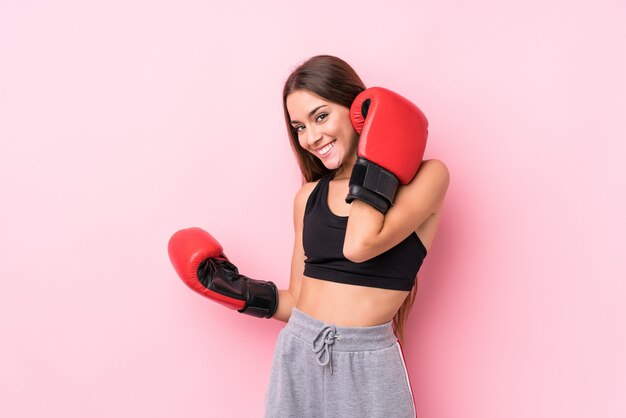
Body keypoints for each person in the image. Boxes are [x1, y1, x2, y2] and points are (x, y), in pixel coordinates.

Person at [168, 55, 450, 418]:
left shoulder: (430, 177)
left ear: (358, 110)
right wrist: (237, 291)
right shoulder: (308, 198)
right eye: (299, 126)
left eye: (321, 116)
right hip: (299, 353)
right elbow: (298, 302)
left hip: (368, 363)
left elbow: (359, 245)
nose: (311, 137)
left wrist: (379, 155)